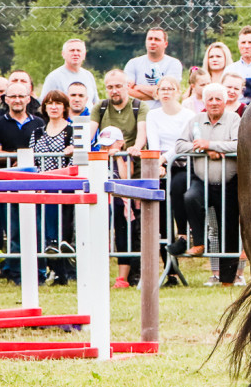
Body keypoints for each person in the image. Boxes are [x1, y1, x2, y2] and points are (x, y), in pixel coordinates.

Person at [173, 83, 241, 287]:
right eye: (209, 99)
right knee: (190, 197)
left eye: (218, 99)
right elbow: (179, 145)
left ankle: (227, 280)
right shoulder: (195, 120)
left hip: (228, 182)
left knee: (228, 228)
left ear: (225, 101)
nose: (213, 103)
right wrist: (203, 150)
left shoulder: (234, 119)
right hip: (201, 180)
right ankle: (200, 242)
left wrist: (211, 145)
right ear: (204, 102)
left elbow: (239, 144)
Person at [91, 69, 149, 288]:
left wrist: (136, 147)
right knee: (117, 224)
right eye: (110, 87)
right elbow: (91, 131)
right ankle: (118, 275)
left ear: (127, 86)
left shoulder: (138, 106)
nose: (114, 90)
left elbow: (142, 130)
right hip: (108, 172)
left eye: (118, 86)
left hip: (135, 172)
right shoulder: (101, 107)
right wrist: (81, 149)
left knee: (137, 226)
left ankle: (138, 273)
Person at [0, 82, 46, 284]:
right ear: (5, 99)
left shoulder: (39, 123)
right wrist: (17, 158)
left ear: (28, 98)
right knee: (14, 231)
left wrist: (26, 161)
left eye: (21, 96)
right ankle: (16, 274)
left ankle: (39, 273)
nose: (17, 100)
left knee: (36, 230)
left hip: (35, 183)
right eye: (12, 96)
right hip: (8, 183)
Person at [146, 75, 195, 287]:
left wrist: (165, 158)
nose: (166, 92)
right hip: (160, 165)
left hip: (183, 163)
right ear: (157, 93)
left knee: (177, 189)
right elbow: (153, 140)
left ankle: (183, 235)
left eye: (170, 88)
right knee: (160, 211)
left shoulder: (188, 115)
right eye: (162, 89)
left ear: (177, 91)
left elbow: (183, 142)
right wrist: (158, 163)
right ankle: (171, 271)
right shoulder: (153, 115)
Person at [29, 90, 75, 285]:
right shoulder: (37, 132)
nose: (54, 107)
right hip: (42, 185)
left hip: (65, 185)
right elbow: (32, 159)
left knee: (60, 231)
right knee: (45, 229)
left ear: (64, 107)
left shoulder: (71, 131)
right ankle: (55, 269)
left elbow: (75, 161)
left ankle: (61, 268)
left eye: (58, 103)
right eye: (50, 103)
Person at [125, 27, 183, 109]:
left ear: (165, 44)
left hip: (164, 112)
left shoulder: (173, 63)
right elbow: (127, 91)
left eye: (157, 39)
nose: (152, 42)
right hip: (137, 113)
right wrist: (158, 95)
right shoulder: (133, 63)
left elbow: (170, 92)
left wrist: (139, 87)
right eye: (150, 39)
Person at [40, 39, 100, 109]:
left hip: (88, 119)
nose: (75, 53)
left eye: (79, 50)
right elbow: (44, 104)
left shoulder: (88, 75)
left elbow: (95, 102)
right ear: (63, 54)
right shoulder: (54, 77)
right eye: (72, 50)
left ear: (84, 55)